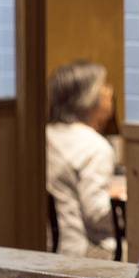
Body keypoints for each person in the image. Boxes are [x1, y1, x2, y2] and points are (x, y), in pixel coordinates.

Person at [46, 60, 119, 259]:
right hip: (81, 252)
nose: (110, 91)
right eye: (104, 86)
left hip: (46, 246)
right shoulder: (94, 147)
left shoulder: (44, 135)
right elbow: (97, 214)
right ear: (89, 97)